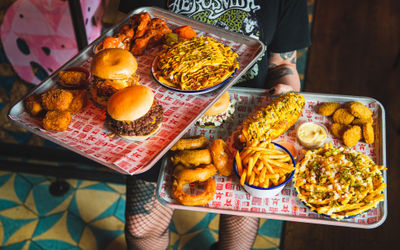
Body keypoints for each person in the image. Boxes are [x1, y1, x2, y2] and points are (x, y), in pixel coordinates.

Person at [118, 0, 311, 249]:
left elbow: (283, 64)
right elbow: (129, 42)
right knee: (141, 230)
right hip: (160, 120)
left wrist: (286, 92)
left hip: (246, 125)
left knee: (238, 236)